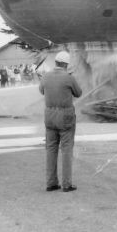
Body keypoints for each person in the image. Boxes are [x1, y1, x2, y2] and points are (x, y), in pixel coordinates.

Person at [39, 51, 82, 192]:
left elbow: (42, 91)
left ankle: (51, 183)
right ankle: (66, 184)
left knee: (51, 149)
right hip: (65, 117)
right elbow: (78, 93)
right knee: (67, 150)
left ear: (56, 62)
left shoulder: (45, 76)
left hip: (50, 117)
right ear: (65, 64)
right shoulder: (69, 78)